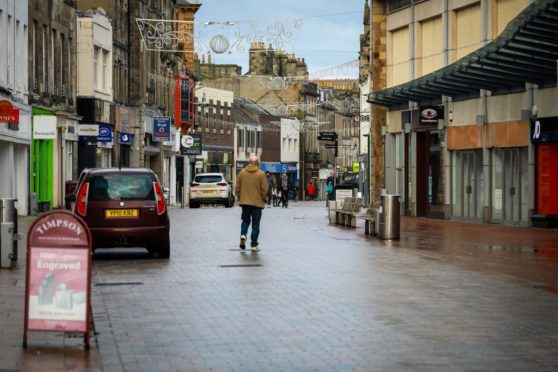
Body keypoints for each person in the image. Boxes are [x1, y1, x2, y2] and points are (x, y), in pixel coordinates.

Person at [235, 154, 268, 252]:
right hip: (257, 204)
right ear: (257, 162)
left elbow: (237, 188)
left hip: (245, 203)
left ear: (249, 162)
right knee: (255, 224)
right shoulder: (261, 174)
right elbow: (265, 189)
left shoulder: (242, 173)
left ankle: (243, 235)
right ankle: (254, 245)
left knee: (245, 221)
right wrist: (263, 198)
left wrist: (241, 197)